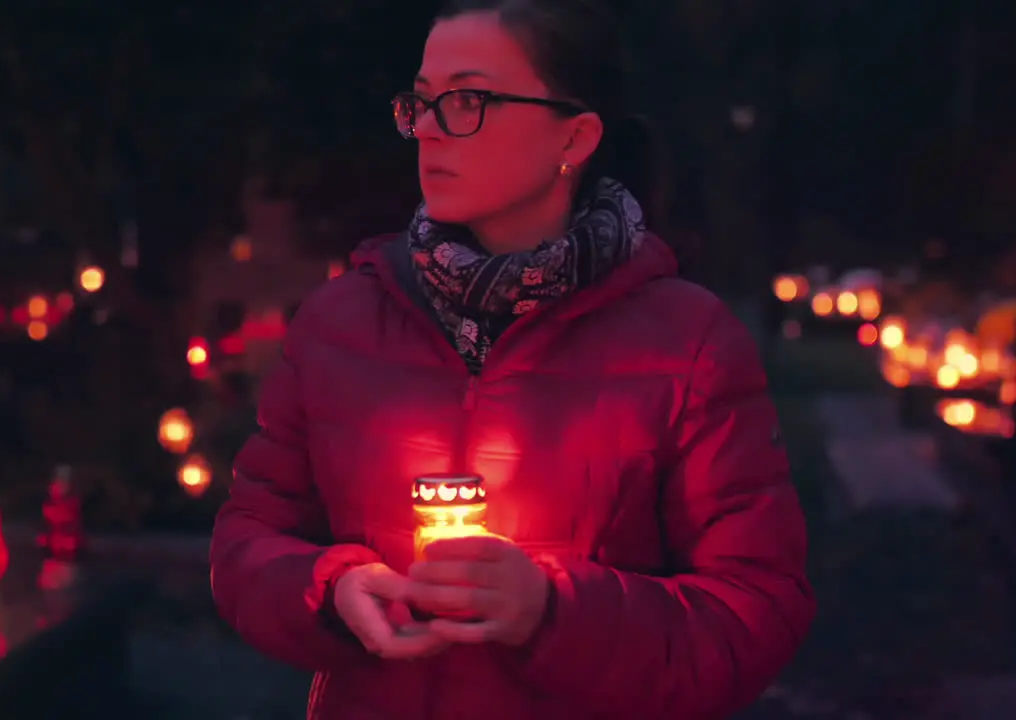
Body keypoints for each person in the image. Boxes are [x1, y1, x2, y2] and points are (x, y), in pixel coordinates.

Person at [209, 1, 815, 717]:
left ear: (576, 135)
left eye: (468, 100)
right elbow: (245, 543)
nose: (430, 129)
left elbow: (754, 614)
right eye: (422, 102)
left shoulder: (687, 345)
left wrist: (553, 612)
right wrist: (333, 589)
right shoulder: (339, 323)